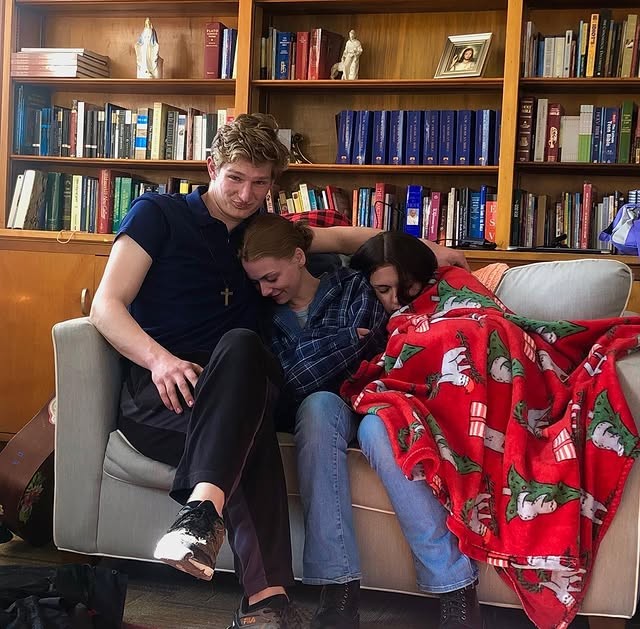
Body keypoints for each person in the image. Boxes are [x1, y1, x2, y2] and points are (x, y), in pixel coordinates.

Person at [90, 113, 468, 629]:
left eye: (260, 183)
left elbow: (347, 239)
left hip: (243, 379)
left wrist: (435, 254)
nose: (246, 194)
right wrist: (160, 360)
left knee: (243, 351)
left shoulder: (262, 236)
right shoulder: (158, 214)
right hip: (168, 393)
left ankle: (205, 520)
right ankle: (265, 601)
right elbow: (106, 306)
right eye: (235, 178)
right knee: (249, 430)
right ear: (211, 168)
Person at [341, 231, 482, 629]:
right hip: (394, 399)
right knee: (377, 429)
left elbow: (486, 327)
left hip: (461, 399)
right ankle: (455, 585)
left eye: (407, 288)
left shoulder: (454, 285)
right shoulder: (353, 300)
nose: (396, 300)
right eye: (383, 290)